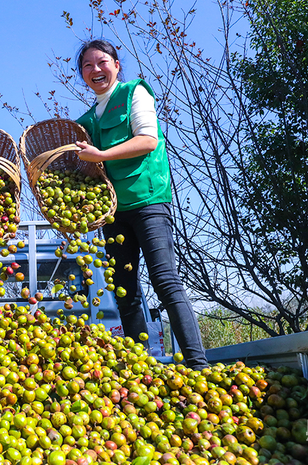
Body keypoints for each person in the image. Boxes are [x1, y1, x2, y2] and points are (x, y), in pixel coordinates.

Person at [74, 39, 208, 370]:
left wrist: (102, 155)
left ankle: (197, 363)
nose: (96, 70)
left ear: (116, 65)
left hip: (147, 200)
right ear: (82, 75)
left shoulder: (135, 93)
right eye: (87, 66)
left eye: (102, 62)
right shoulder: (86, 119)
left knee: (165, 280)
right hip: (112, 211)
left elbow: (147, 140)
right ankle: (140, 368)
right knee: (124, 290)